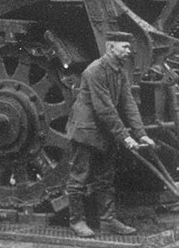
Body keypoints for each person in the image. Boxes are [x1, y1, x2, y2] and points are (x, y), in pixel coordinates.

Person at [65, 31, 155, 237]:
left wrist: (141, 134)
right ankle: (77, 222)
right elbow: (104, 107)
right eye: (124, 46)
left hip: (104, 132)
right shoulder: (95, 71)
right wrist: (125, 137)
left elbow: (128, 103)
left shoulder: (119, 71)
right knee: (79, 177)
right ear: (110, 47)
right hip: (85, 131)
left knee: (105, 178)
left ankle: (107, 221)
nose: (128, 50)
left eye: (128, 47)